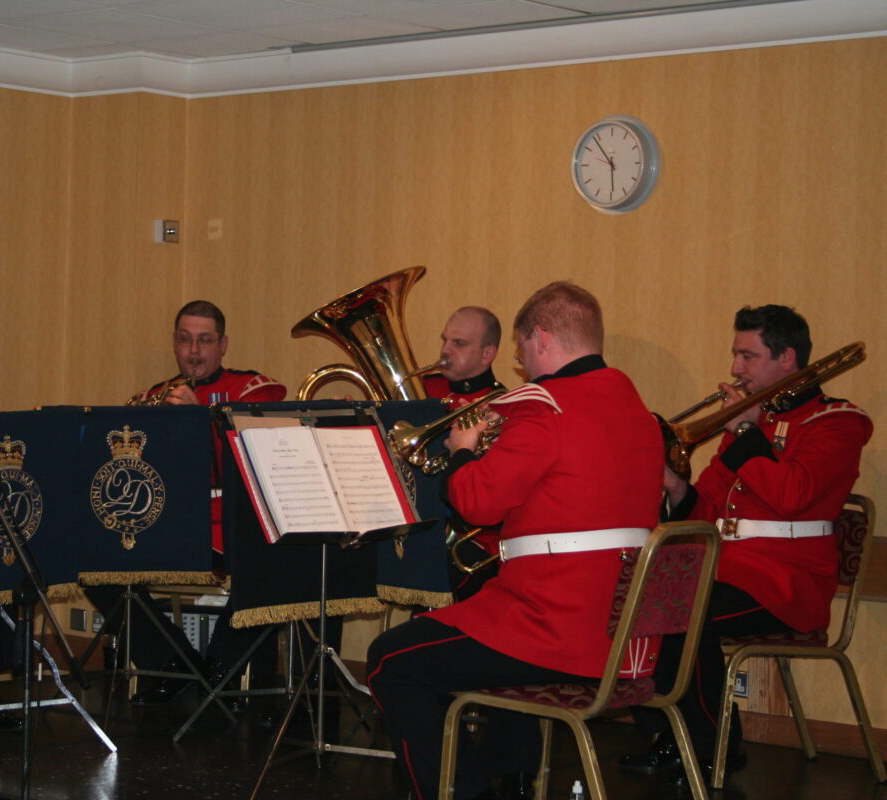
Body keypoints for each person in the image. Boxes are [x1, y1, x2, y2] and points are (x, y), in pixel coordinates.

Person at [366, 282, 664, 800]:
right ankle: (495, 771)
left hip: (553, 626)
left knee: (392, 660)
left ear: (542, 338)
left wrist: (463, 451)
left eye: (523, 351)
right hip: (627, 637)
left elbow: (477, 503)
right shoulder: (636, 409)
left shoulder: (543, 408)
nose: (522, 365)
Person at [622, 304, 873, 788]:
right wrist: (676, 488)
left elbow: (793, 496)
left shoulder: (838, 423)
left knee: (685, 614)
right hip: (728, 571)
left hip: (789, 585)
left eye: (747, 356)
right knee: (633, 602)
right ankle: (671, 736)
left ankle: (710, 747)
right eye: (737, 355)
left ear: (787, 359)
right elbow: (707, 510)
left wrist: (741, 430)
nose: (735, 369)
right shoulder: (748, 431)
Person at [83, 300, 286, 705]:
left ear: (223, 344)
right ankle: (175, 664)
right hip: (169, 524)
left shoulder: (255, 390)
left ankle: (218, 668)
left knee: (271, 565)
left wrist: (203, 422)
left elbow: (262, 459)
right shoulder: (153, 398)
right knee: (93, 565)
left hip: (229, 522)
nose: (194, 352)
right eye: (185, 340)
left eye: (205, 341)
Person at [422, 306, 508, 600]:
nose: (445, 349)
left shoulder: (502, 406)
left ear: (487, 355)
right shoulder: (424, 391)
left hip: (472, 543)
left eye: (458, 343)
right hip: (423, 530)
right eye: (445, 340)